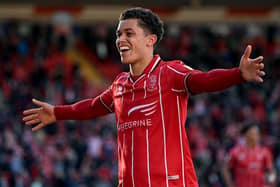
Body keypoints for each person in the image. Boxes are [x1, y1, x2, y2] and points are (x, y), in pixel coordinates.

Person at [23, 7, 265, 187]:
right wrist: (57, 112)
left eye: (129, 33)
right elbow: (93, 106)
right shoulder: (120, 85)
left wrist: (237, 74)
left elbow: (204, 80)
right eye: (118, 34)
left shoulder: (171, 73)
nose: (120, 40)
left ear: (150, 40)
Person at [223, 122, 276, 187]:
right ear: (246, 135)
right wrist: (230, 185)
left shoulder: (265, 152)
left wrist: (270, 183)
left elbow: (271, 171)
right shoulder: (235, 152)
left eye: (257, 134)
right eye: (253, 134)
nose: (256, 136)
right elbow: (226, 170)